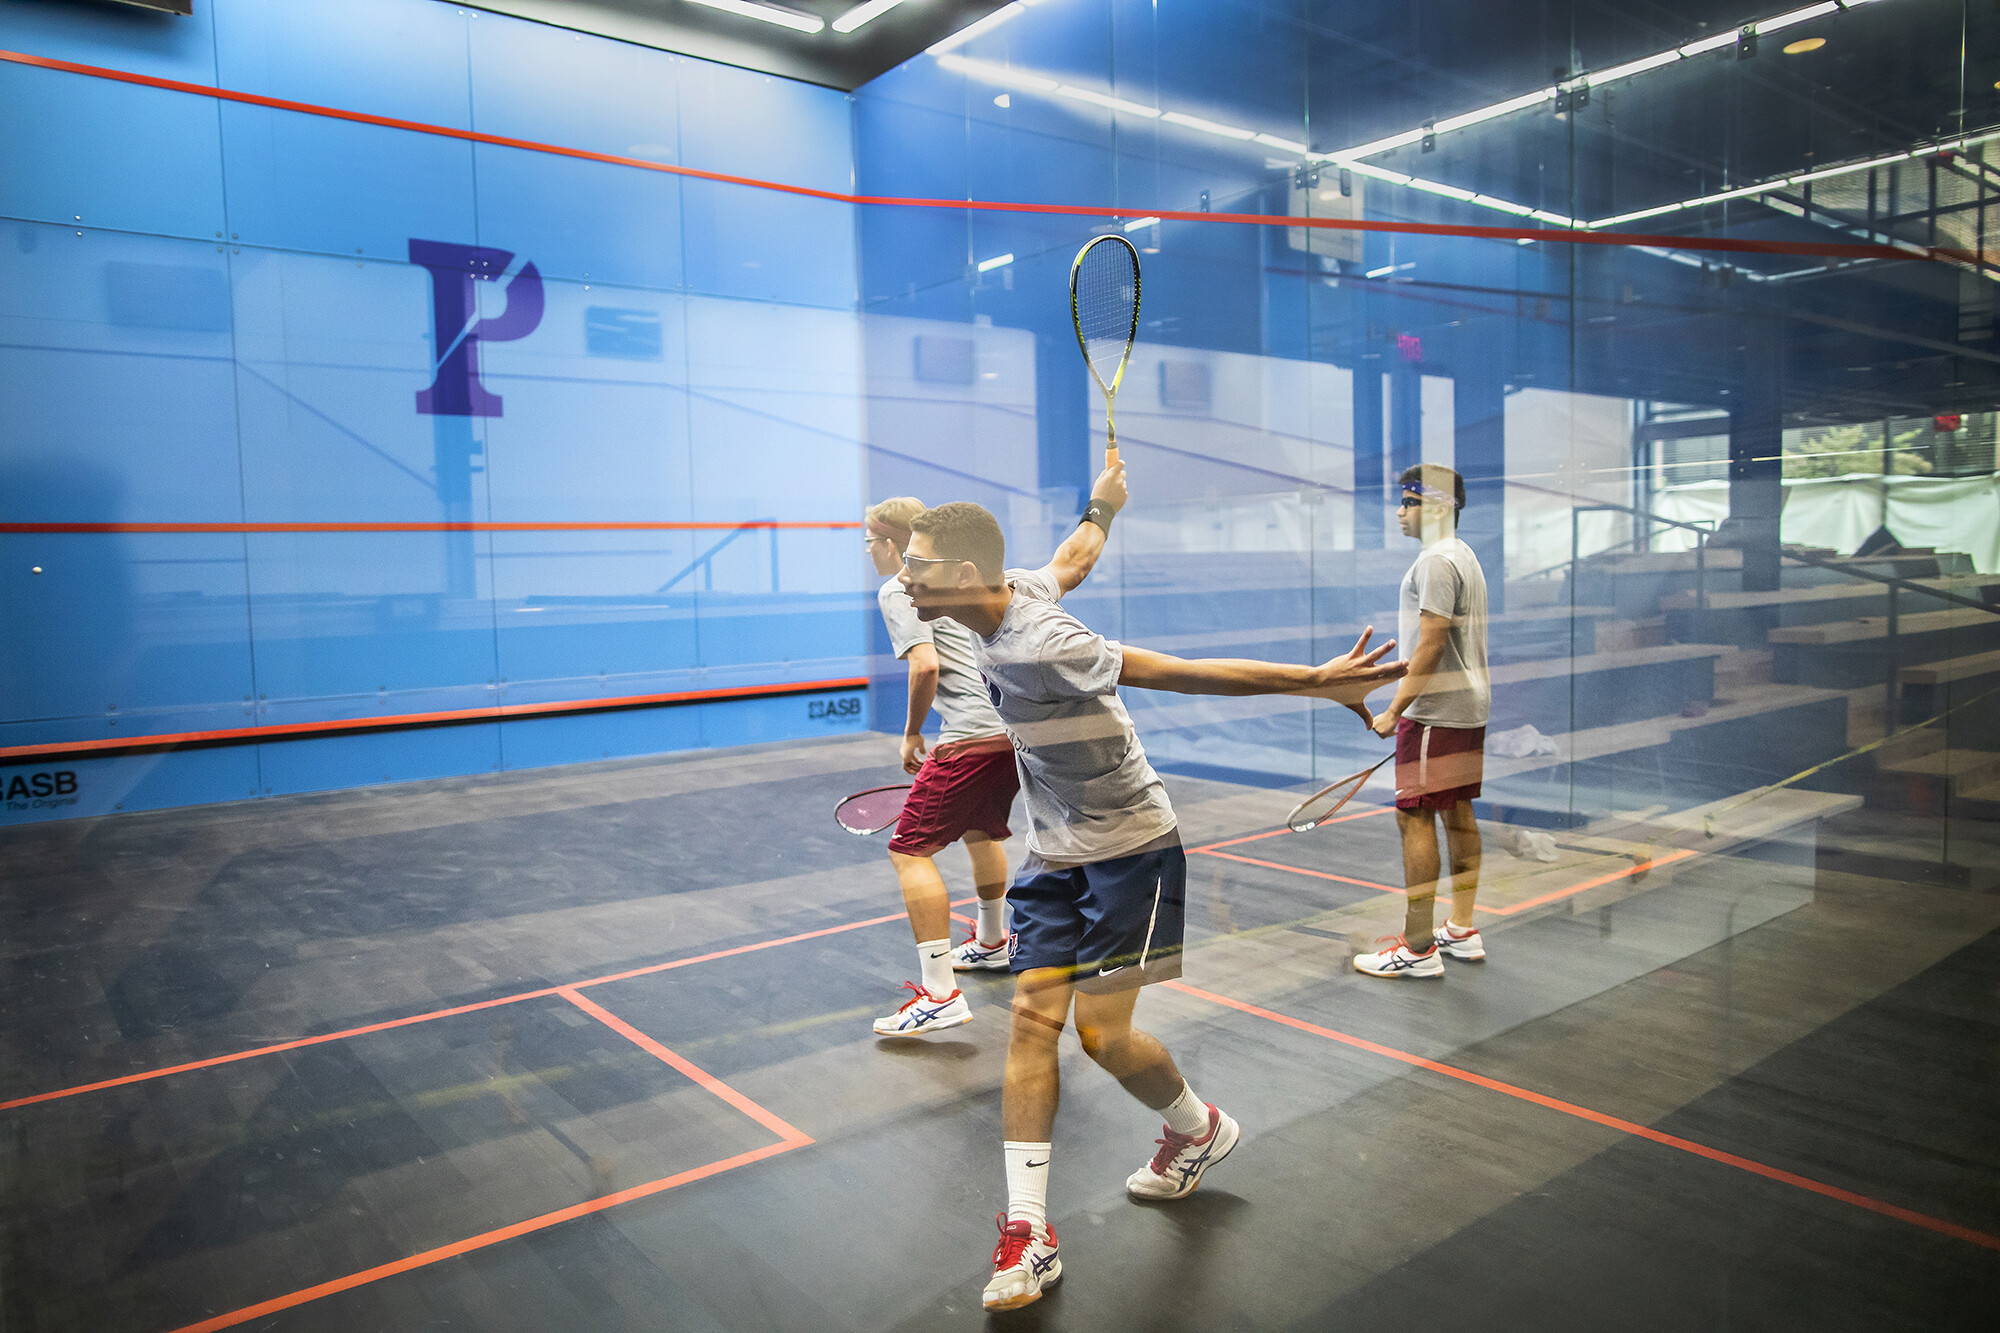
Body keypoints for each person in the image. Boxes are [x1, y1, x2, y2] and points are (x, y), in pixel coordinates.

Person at [897, 466, 1406, 1312]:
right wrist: (1102, 502)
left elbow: (1187, 672)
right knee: (1029, 1020)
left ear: (957, 575)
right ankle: (1029, 1232)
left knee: (1103, 1037)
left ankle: (1199, 1129)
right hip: (1054, 851)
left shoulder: (1041, 642)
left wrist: (1319, 681)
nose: (903, 578)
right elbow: (1075, 556)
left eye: (915, 565)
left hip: (1132, 846)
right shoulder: (1007, 590)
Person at [863, 498, 1020, 1038]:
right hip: (1010, 730)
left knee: (908, 851)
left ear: (891, 543)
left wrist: (911, 733)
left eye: (870, 540)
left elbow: (925, 664)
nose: (869, 552)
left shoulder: (897, 589)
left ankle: (938, 993)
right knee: (982, 831)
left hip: (969, 737)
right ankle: (994, 943)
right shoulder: (961, 581)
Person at [1355, 463, 1492, 979]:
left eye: (1409, 502)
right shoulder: (1464, 556)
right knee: (1456, 813)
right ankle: (1460, 928)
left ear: (1435, 507)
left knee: (1413, 816)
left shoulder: (1436, 562)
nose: (1399, 511)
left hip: (1434, 711)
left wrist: (1395, 709)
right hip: (1465, 707)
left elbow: (1432, 642)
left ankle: (1416, 948)